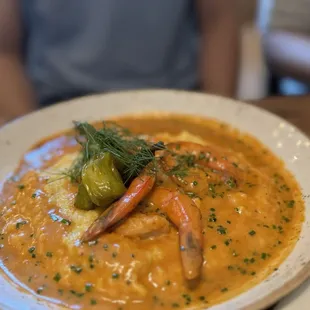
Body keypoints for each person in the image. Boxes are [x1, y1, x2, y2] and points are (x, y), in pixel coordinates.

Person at [0, 0, 239, 124]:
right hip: (53, 109)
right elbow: (4, 50)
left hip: (179, 101)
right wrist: (30, 136)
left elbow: (218, 22)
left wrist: (217, 117)